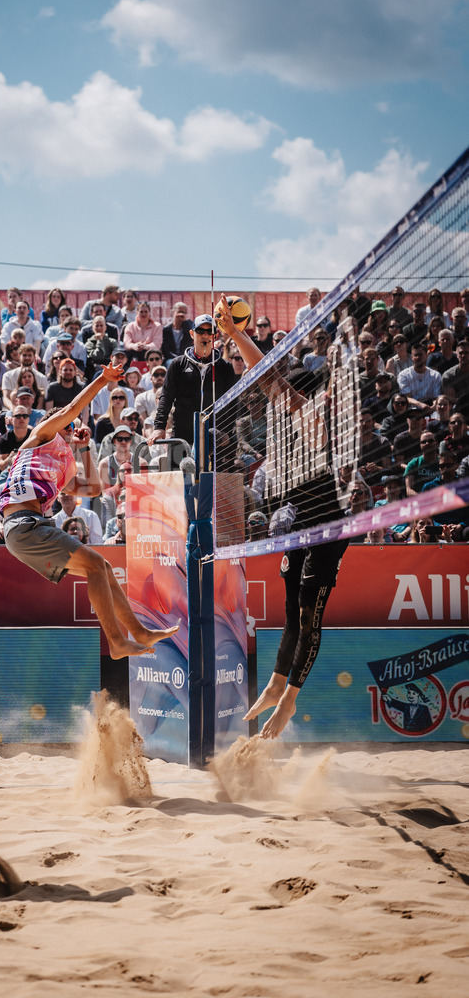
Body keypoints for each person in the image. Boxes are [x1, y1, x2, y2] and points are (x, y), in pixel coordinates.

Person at [216, 297, 348, 739]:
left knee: (309, 615)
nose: (277, 400)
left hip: (329, 528)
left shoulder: (311, 418)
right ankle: (276, 682)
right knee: (291, 612)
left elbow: (268, 377)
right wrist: (235, 337)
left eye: (288, 395)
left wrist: (238, 335)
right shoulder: (284, 424)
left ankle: (289, 700)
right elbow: (268, 382)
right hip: (302, 525)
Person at [0, 359, 179, 660]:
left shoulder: (62, 464)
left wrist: (84, 450)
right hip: (24, 525)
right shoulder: (39, 437)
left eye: (72, 427)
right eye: (67, 426)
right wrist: (103, 380)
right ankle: (116, 642)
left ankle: (139, 632)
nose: (71, 428)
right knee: (97, 565)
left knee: (103, 568)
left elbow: (93, 489)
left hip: (28, 529)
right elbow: (71, 409)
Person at [150, 315, 237, 447]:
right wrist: (159, 427)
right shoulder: (178, 364)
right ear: (192, 334)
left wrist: (227, 431)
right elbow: (166, 397)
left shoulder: (225, 367)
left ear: (215, 336)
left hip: (215, 439)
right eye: (200, 331)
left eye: (209, 332)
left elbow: (232, 402)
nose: (205, 335)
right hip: (182, 436)